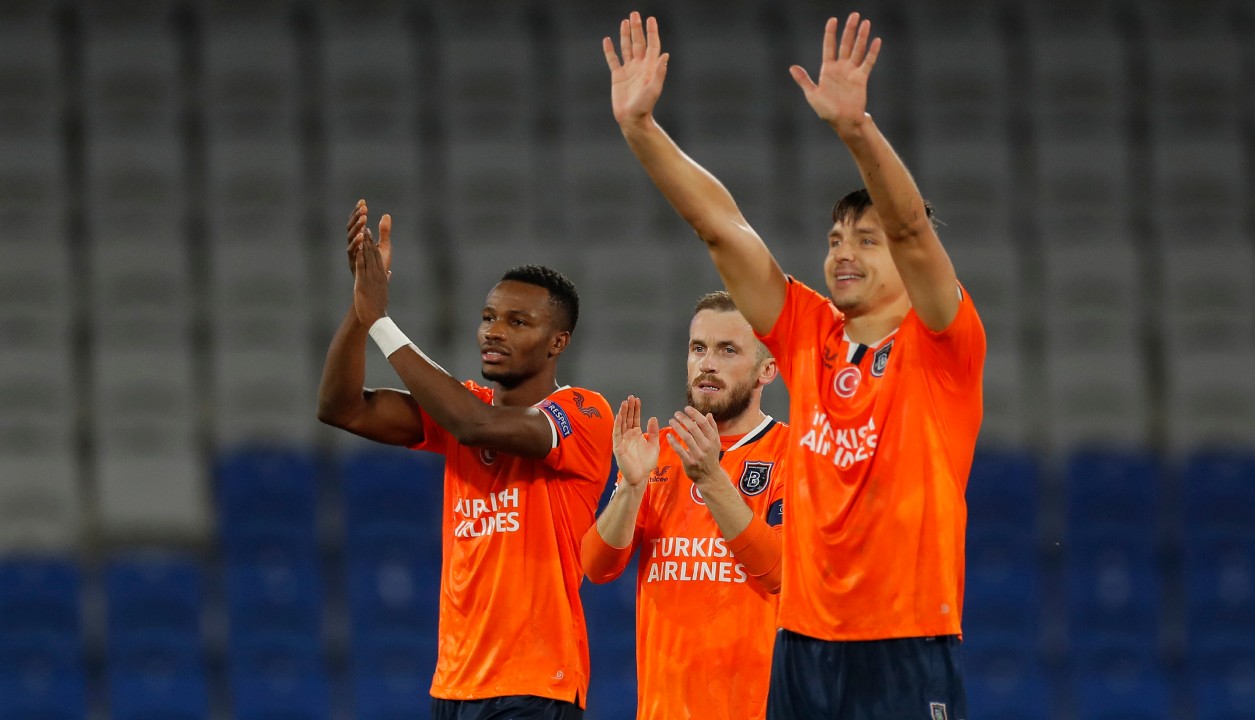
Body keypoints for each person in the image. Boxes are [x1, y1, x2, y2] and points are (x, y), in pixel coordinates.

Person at [605, 11, 985, 719]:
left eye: (865, 242)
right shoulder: (808, 333)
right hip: (804, 644)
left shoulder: (942, 347)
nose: (843, 251)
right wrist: (641, 130)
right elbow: (721, 227)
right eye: (836, 237)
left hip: (905, 640)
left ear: (906, 261)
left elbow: (909, 226)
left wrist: (857, 131)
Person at [317, 200, 613, 720]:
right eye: (488, 317)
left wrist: (382, 323)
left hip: (535, 685)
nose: (494, 330)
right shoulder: (461, 405)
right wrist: (362, 311)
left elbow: (477, 427)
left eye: (518, 322)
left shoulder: (584, 413)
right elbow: (342, 409)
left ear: (557, 343)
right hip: (454, 684)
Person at [581, 291, 788, 720]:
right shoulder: (659, 455)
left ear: (767, 369)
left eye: (727, 350)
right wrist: (631, 488)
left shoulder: (791, 453)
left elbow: (781, 573)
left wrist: (712, 479)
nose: (707, 363)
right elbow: (597, 567)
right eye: (698, 348)